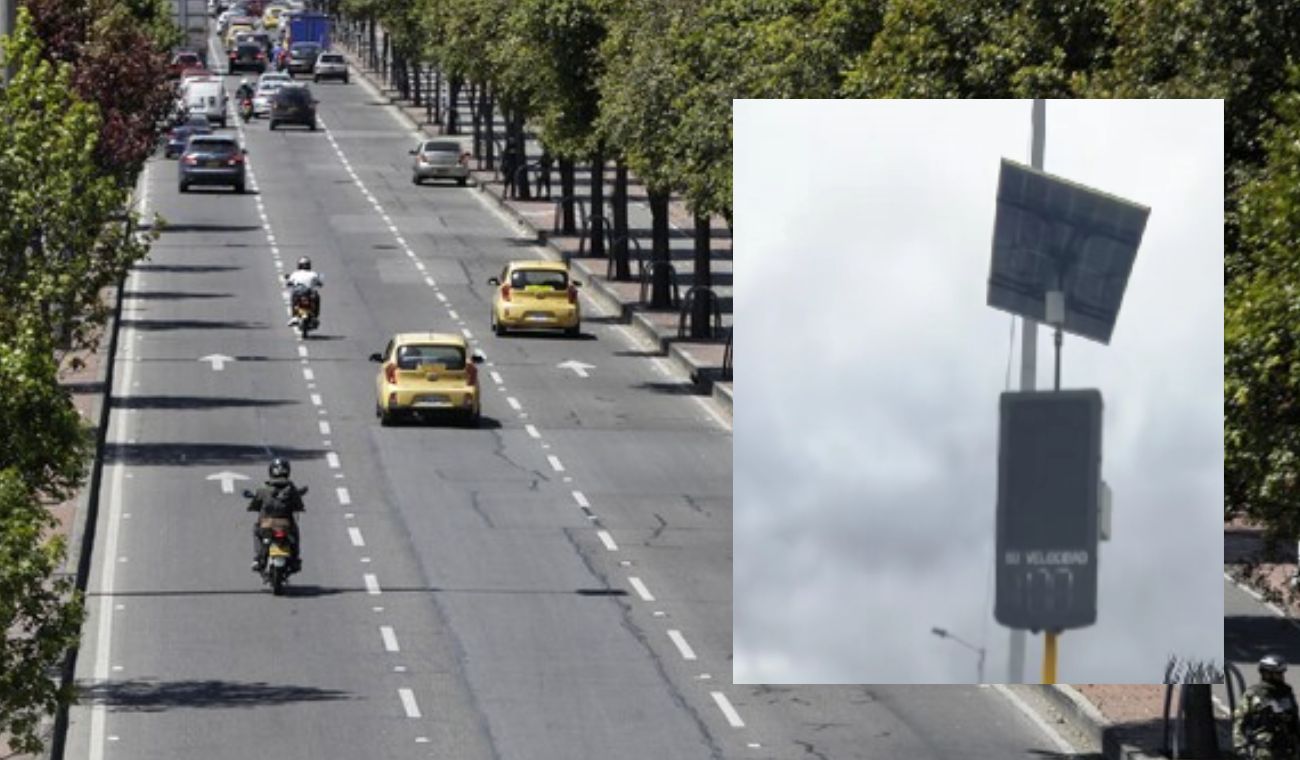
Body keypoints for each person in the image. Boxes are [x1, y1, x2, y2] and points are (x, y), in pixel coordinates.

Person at [1235, 655, 1300, 759]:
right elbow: (1240, 722)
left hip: (1288, 751)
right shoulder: (1253, 695)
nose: (1282, 676)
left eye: (1282, 673)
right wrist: (1240, 747)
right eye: (1278, 673)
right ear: (1266, 674)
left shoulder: (1286, 693)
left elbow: (1294, 720)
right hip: (1265, 752)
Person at [246, 458, 305, 571]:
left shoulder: (263, 487)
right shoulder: (291, 488)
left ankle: (258, 558)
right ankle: (295, 560)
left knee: (256, 530)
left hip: (266, 524)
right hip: (286, 524)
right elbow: (299, 505)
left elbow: (254, 504)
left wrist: (253, 507)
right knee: (295, 534)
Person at [284, 256, 323, 325]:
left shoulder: (295, 274)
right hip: (308, 293)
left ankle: (295, 316)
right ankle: (314, 316)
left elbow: (288, 282)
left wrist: (289, 283)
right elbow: (319, 283)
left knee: (293, 297)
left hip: (300, 293)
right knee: (317, 297)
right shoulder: (313, 274)